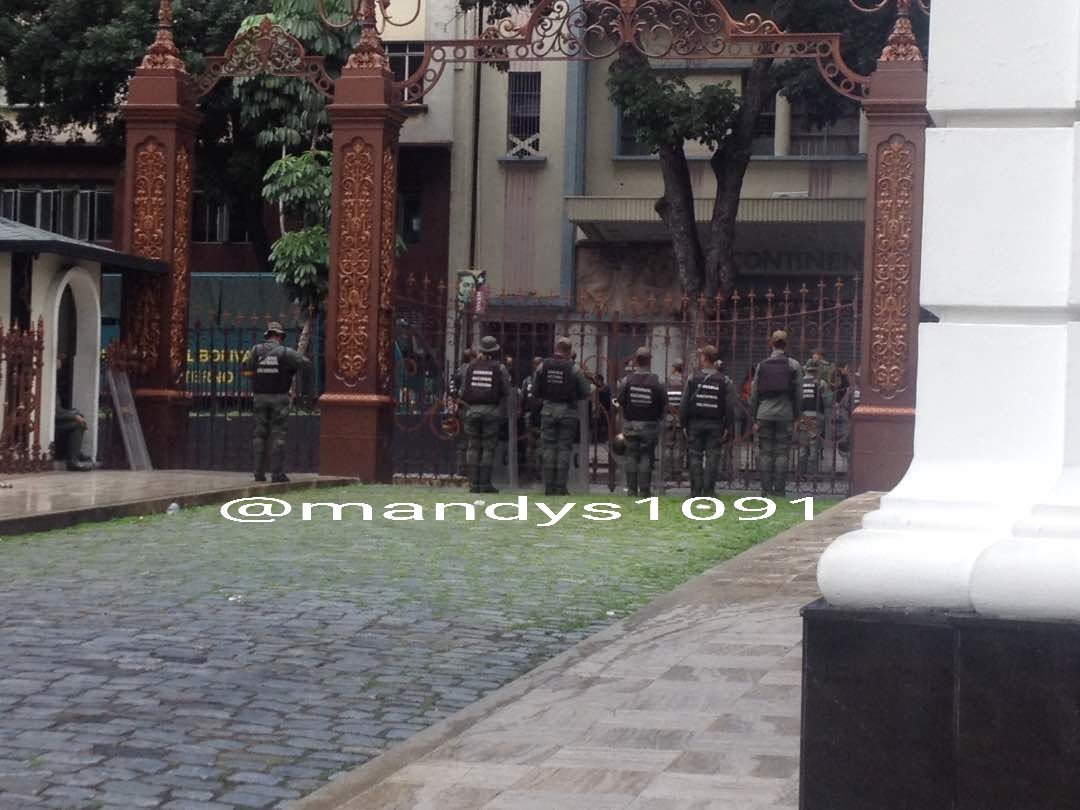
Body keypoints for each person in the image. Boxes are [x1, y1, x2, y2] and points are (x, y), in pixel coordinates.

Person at [243, 322, 312, 483]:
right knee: (278, 435)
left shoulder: (255, 350)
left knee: (259, 434)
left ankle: (258, 473)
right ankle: (277, 474)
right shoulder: (285, 353)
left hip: (259, 397)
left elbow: (245, 368)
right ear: (280, 336)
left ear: (268, 335)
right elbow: (306, 364)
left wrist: (258, 376)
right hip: (279, 398)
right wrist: (290, 370)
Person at [533, 336, 589, 495]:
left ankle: (549, 487)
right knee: (564, 448)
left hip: (548, 409)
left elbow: (535, 390)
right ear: (569, 351)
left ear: (555, 348)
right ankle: (561, 487)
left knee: (549, 447)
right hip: (568, 412)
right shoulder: (574, 368)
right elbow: (585, 391)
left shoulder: (543, 366)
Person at [749, 330, 802, 497]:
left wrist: (754, 416)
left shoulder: (762, 365)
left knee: (765, 452)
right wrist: (796, 416)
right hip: (785, 413)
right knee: (782, 452)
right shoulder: (793, 365)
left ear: (771, 343)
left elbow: (754, 393)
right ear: (786, 344)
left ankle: (765, 490)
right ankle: (779, 491)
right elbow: (798, 394)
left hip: (764, 413)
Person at [459, 335, 511, 493]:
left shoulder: (470, 367)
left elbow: (463, 390)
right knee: (488, 448)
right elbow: (506, 390)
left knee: (473, 446)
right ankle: (485, 484)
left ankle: (473, 484)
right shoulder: (499, 368)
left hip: (472, 410)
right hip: (491, 410)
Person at [616, 347, 667, 497]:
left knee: (631, 456)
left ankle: (632, 489)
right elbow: (663, 402)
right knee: (646, 456)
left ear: (636, 361)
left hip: (631, 424)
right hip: (650, 426)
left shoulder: (626, 381)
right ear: (649, 361)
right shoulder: (657, 382)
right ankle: (644, 490)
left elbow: (620, 401)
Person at [681, 345, 728, 497]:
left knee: (695, 455)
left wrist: (683, 424)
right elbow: (729, 405)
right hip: (715, 424)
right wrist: (728, 426)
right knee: (713, 457)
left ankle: (695, 490)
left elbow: (685, 403)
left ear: (705, 359)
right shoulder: (724, 380)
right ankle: (709, 491)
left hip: (695, 423)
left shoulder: (692, 378)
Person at [796, 358, 831, 477]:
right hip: (816, 418)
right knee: (814, 447)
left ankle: (801, 474)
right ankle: (813, 474)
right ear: (816, 370)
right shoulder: (821, 383)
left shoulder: (799, 383)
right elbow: (827, 401)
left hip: (802, 418)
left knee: (803, 447)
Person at [450, 347, 477, 478]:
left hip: (461, 407)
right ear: (472, 358)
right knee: (473, 439)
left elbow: (451, 388)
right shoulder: (473, 370)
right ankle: (472, 468)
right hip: (472, 407)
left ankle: (461, 468)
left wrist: (457, 399)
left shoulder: (458, 370)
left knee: (462, 439)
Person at [520, 356, 544, 481]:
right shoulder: (543, 380)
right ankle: (536, 470)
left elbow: (522, 399)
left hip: (531, 415)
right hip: (540, 415)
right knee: (538, 445)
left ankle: (532, 470)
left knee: (532, 445)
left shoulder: (527, 381)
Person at [663, 359, 686, 483]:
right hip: (680, 418)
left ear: (674, 368)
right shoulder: (684, 382)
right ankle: (678, 473)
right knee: (679, 447)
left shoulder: (668, 382)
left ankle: (667, 472)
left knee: (668, 446)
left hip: (669, 417)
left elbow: (664, 400)